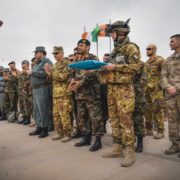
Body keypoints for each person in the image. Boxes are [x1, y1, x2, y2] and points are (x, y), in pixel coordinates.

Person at [100, 19, 140, 167]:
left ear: (119, 33)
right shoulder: (115, 50)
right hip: (112, 89)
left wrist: (114, 66)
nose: (111, 36)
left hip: (124, 91)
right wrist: (101, 68)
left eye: (112, 33)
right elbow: (111, 68)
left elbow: (135, 68)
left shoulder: (131, 48)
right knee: (114, 119)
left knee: (125, 121)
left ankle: (130, 151)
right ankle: (117, 147)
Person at [69, 39, 104, 151]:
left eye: (82, 45)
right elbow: (71, 73)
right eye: (79, 45)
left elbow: (94, 74)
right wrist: (72, 82)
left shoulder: (93, 59)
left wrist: (80, 83)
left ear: (88, 47)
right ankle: (86, 138)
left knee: (95, 118)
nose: (79, 47)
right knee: (82, 117)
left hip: (91, 94)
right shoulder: (77, 60)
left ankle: (98, 141)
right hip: (79, 95)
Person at [46, 46, 72, 142]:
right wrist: (49, 73)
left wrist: (52, 73)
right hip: (56, 94)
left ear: (62, 53)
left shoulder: (67, 64)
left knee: (64, 114)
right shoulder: (55, 65)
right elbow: (51, 79)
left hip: (64, 94)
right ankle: (59, 133)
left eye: (56, 53)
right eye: (54, 54)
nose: (55, 56)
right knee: (56, 115)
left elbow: (64, 77)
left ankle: (68, 134)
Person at [161, 34, 180, 156]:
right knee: (172, 121)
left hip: (177, 91)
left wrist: (177, 87)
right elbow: (163, 76)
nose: (170, 43)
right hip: (171, 96)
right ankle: (175, 145)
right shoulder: (168, 60)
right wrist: (168, 87)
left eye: (172, 41)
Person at [28, 46, 52, 138]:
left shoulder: (47, 62)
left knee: (43, 109)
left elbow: (45, 74)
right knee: (36, 110)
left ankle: (45, 129)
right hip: (35, 89)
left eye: (36, 52)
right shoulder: (37, 63)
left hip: (42, 88)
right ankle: (39, 127)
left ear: (41, 52)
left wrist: (32, 72)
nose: (35, 54)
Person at [144, 44, 165, 139]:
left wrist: (161, 85)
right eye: (146, 49)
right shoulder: (146, 63)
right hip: (146, 90)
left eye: (149, 49)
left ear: (154, 50)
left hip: (156, 90)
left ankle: (160, 131)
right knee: (147, 110)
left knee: (158, 110)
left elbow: (165, 73)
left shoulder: (160, 60)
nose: (147, 51)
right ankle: (148, 130)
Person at [133, 61, 147, 152]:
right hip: (124, 96)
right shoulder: (123, 63)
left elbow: (144, 80)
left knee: (138, 120)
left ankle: (140, 142)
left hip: (137, 97)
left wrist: (133, 87)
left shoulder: (140, 64)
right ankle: (129, 140)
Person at [17, 60, 32, 125]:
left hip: (27, 92)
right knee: (21, 105)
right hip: (21, 92)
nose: (23, 65)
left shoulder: (29, 72)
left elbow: (31, 81)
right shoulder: (21, 73)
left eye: (24, 64)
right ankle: (24, 117)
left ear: (28, 65)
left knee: (27, 105)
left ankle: (28, 119)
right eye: (22, 64)